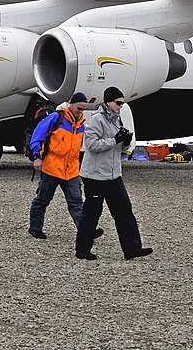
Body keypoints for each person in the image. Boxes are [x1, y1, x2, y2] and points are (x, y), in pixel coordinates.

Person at [74, 86, 152, 261]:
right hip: (94, 176)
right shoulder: (96, 120)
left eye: (122, 103)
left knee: (124, 211)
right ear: (108, 102)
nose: (120, 106)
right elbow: (91, 145)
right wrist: (114, 140)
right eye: (118, 103)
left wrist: (125, 142)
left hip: (113, 175)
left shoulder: (117, 120)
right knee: (92, 213)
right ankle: (82, 250)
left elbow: (120, 148)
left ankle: (132, 248)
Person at [27, 92, 104, 241]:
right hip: (52, 167)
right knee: (42, 199)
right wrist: (37, 157)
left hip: (71, 169)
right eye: (79, 108)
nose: (80, 111)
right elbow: (38, 136)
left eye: (83, 109)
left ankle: (86, 231)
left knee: (76, 202)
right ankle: (35, 228)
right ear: (71, 104)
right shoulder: (57, 117)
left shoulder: (81, 124)